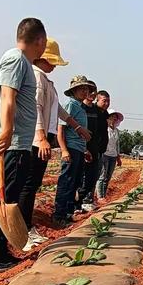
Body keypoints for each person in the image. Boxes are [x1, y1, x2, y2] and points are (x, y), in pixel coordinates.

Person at [0, 18, 47, 272]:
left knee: (9, 195)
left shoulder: (22, 61)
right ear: (40, 40)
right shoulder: (16, 59)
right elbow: (8, 97)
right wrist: (7, 131)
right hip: (12, 143)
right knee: (3, 197)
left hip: (17, 143)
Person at [18, 38, 91, 251]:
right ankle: (24, 230)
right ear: (44, 58)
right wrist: (41, 138)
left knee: (33, 185)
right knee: (29, 185)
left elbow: (59, 110)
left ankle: (27, 227)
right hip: (35, 140)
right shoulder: (37, 79)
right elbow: (36, 108)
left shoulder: (45, 80)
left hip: (41, 139)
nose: (55, 66)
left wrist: (77, 127)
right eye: (53, 61)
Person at [52, 76, 94, 228]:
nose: (85, 91)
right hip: (70, 148)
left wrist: (85, 149)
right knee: (67, 181)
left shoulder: (79, 107)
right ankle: (59, 215)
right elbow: (61, 128)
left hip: (78, 149)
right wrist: (64, 150)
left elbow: (79, 133)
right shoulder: (70, 104)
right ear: (73, 90)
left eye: (87, 89)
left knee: (75, 181)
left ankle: (68, 213)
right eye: (82, 88)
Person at [77, 80, 100, 212]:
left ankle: (84, 200)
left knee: (92, 177)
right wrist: (84, 148)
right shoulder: (80, 108)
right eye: (88, 91)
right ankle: (78, 203)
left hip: (94, 148)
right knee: (80, 177)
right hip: (82, 147)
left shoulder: (96, 110)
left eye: (93, 91)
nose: (91, 93)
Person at [96, 110, 123, 199]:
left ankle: (104, 195)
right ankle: (100, 197)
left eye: (116, 118)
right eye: (113, 118)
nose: (115, 120)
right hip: (105, 154)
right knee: (102, 176)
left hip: (113, 156)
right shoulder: (105, 129)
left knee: (108, 177)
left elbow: (117, 145)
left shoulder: (116, 131)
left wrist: (118, 158)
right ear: (108, 118)